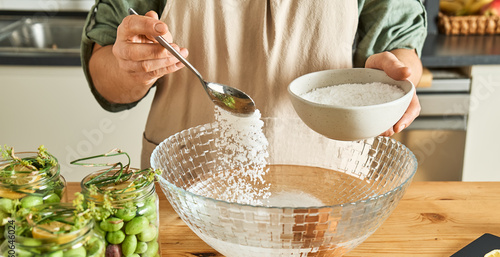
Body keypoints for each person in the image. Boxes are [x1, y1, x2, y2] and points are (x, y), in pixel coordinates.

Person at [81, 0, 427, 168]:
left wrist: (395, 76)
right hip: (186, 190)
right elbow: (105, 78)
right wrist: (129, 66)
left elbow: (397, 38)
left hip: (328, 188)